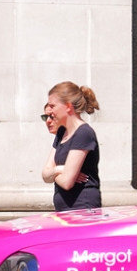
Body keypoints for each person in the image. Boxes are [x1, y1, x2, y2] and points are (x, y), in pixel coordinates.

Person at [43, 82, 101, 211]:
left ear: (68, 106)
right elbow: (45, 174)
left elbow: (66, 182)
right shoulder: (61, 132)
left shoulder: (83, 133)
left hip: (81, 209)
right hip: (64, 211)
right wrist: (59, 170)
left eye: (53, 106)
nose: (50, 111)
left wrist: (56, 173)